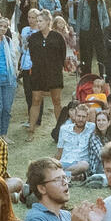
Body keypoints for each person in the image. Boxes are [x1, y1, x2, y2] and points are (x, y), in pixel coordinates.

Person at [27, 9, 67, 139]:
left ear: (48, 21)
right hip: (38, 74)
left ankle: (61, 130)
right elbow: (32, 55)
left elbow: (63, 55)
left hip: (54, 73)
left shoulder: (58, 37)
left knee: (56, 100)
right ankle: (31, 130)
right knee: (36, 100)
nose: (38, 23)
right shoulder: (33, 38)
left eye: (40, 21)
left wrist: (56, 68)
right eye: (36, 21)